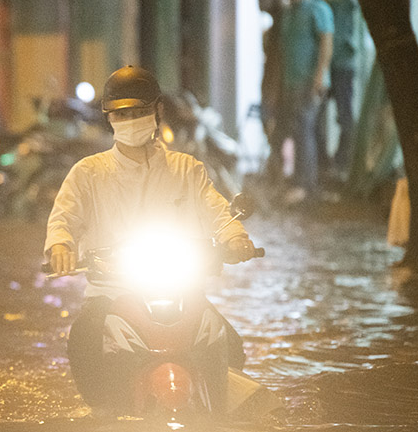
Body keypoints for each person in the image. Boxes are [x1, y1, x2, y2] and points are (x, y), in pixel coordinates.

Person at [45, 65, 259, 413]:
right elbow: (64, 219)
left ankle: (219, 413)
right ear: (110, 118)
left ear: (157, 111)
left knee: (230, 346)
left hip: (181, 289)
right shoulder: (87, 174)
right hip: (111, 293)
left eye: (140, 111)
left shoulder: (187, 169)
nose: (132, 120)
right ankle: (104, 417)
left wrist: (235, 238)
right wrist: (61, 247)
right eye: (123, 114)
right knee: (84, 339)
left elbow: (217, 211)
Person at [277, 0, 334, 205]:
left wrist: (319, 77)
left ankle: (304, 185)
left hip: (309, 81)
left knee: (304, 130)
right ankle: (306, 182)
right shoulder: (289, 13)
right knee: (302, 131)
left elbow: (326, 43)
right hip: (291, 81)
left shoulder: (318, 9)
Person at [318, 0, 359, 182]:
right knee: (320, 116)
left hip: (341, 64)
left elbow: (338, 34)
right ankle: (332, 163)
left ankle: (342, 163)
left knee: (344, 116)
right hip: (333, 64)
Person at [257, 0, 286, 184]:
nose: (259, 3)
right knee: (272, 133)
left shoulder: (282, 23)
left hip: (275, 86)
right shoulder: (274, 26)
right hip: (272, 84)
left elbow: (277, 60)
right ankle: (276, 175)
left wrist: (272, 93)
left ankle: (278, 177)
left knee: (275, 132)